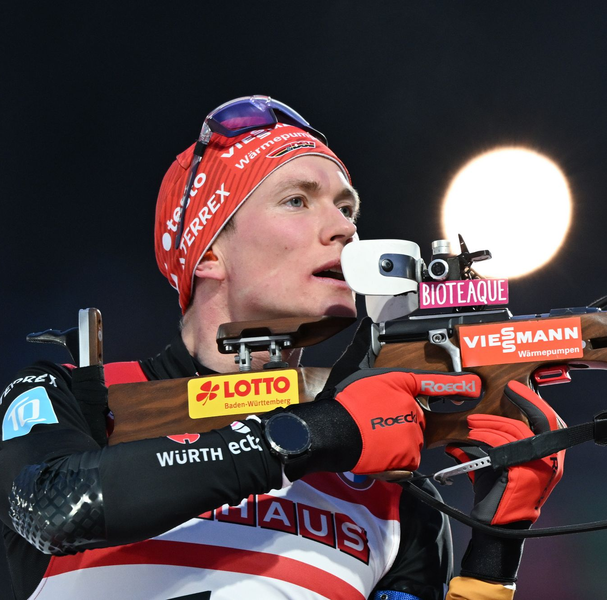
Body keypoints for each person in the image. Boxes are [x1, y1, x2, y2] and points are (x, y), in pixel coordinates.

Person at [0, 95, 564, 600]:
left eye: (348, 210)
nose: (343, 229)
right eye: (298, 201)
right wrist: (306, 436)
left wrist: (496, 548)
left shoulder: (390, 486)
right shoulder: (70, 395)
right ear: (210, 252)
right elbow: (49, 507)